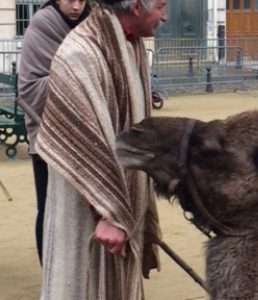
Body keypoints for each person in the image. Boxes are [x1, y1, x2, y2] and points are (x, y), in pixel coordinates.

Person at [35, 0, 167, 298]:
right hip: (89, 213)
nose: (165, 16)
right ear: (135, 5)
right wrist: (108, 212)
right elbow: (78, 142)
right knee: (83, 285)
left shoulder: (131, 46)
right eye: (161, 5)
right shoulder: (80, 52)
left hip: (121, 207)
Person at [17, 0, 91, 264]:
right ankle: (49, 271)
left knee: (83, 213)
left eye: (82, 0)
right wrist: (78, 69)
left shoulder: (92, 22)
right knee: (49, 210)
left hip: (88, 140)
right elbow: (28, 90)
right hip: (48, 137)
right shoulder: (43, 24)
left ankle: (78, 271)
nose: (76, 6)